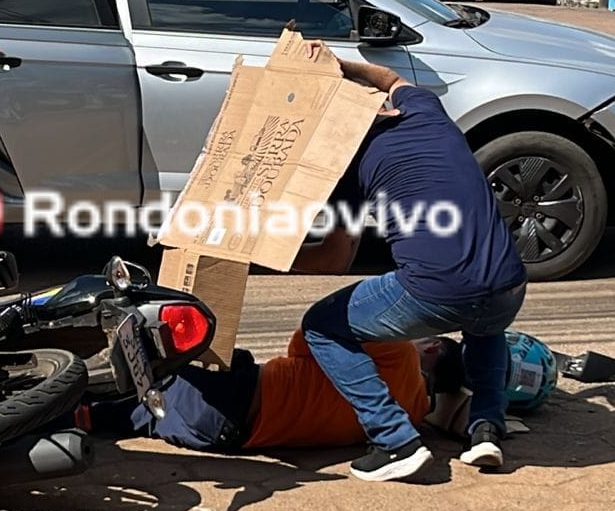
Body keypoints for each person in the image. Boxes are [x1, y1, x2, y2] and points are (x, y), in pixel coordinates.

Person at [291, 39, 528, 483]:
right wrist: (339, 64)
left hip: (437, 290)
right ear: (381, 108)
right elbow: (389, 78)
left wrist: (266, 259)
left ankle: (395, 440)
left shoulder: (350, 162)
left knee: (323, 325)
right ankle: (485, 430)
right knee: (485, 323)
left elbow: (335, 258)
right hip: (510, 283)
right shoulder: (423, 109)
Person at [78, 333, 472, 453]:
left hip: (237, 392)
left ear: (433, 347)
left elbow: (306, 339)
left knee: (180, 330)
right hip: (222, 437)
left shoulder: (400, 351)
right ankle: (46, 417)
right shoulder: (411, 419)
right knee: (129, 414)